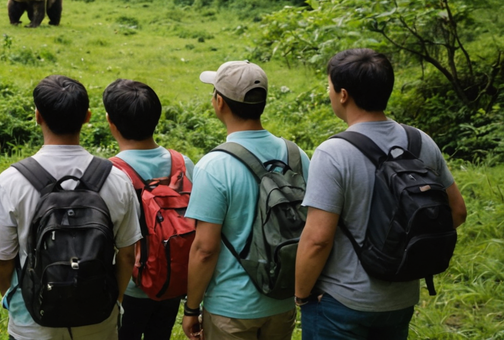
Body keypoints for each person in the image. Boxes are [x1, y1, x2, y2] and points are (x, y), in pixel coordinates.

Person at [294, 49, 469, 339]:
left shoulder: (333, 152)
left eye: (329, 86)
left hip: (341, 302)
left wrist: (301, 294)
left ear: (343, 95)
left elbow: (317, 239)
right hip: (400, 298)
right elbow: (458, 211)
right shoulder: (420, 141)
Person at [0, 75, 141, 340]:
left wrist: (15, 300)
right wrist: (112, 301)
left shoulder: (11, 181)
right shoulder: (115, 178)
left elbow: (1, 261)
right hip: (99, 322)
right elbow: (127, 256)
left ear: (37, 116)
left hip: (33, 323)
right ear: (87, 117)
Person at [182, 61, 309, 340]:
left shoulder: (214, 165)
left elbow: (205, 249)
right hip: (282, 298)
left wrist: (191, 309)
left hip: (231, 308)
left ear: (219, 102)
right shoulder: (296, 155)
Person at [104, 79, 196, 340]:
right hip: (173, 279)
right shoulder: (183, 163)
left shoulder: (110, 173)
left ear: (111, 122)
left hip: (129, 287)